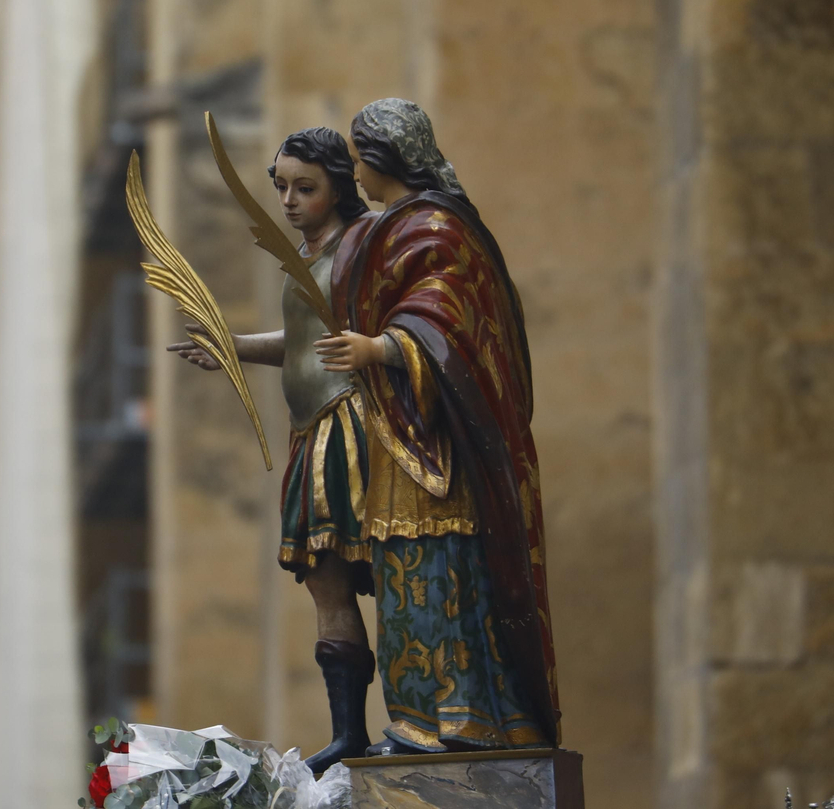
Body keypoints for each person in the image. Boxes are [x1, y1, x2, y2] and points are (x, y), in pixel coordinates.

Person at [313, 97, 559, 755]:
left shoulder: (436, 227)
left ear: (386, 159)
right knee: (403, 582)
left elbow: (447, 322)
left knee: (444, 576)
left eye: (362, 162)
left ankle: (463, 719)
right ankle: (419, 717)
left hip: (441, 445)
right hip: (398, 434)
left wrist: (379, 349)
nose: (357, 175)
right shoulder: (389, 225)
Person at [167, 126, 379, 772]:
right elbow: (298, 340)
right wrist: (230, 345)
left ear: (339, 187)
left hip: (353, 424)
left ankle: (416, 720)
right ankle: (350, 732)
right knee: (325, 582)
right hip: (311, 431)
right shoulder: (308, 256)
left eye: (304, 187)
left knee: (387, 575)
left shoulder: (362, 246)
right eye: (281, 185)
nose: (288, 200)